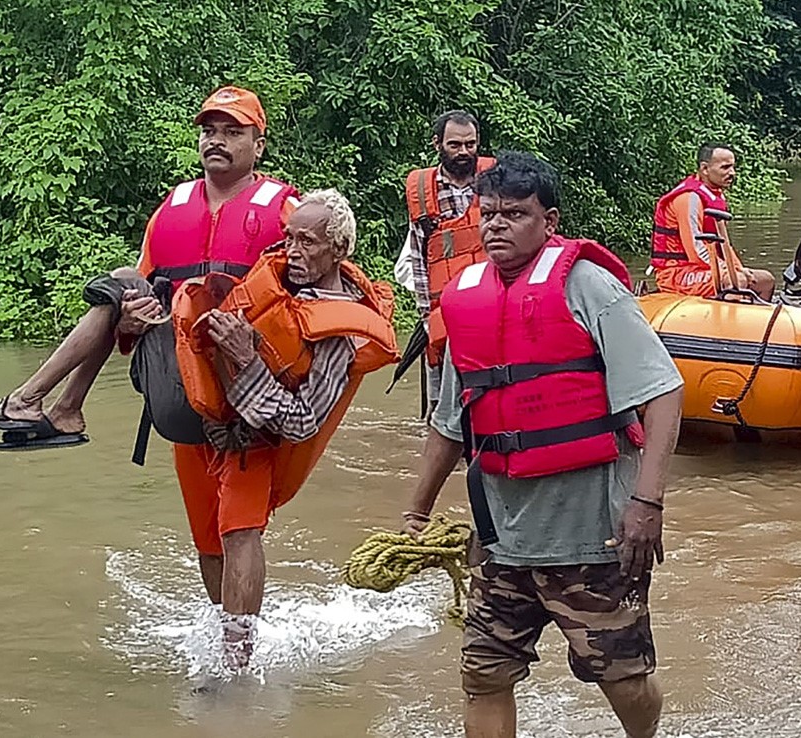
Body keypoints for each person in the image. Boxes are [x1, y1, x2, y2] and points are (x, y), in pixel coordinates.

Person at [402, 152, 684, 738]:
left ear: (548, 221)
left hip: (595, 538)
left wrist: (647, 502)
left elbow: (662, 393)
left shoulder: (589, 287)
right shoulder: (467, 298)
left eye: (516, 214)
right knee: (483, 676)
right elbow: (451, 421)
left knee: (624, 680)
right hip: (501, 539)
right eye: (489, 213)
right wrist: (415, 511)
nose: (496, 225)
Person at [0, 85, 299, 450]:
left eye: (233, 132)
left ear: (259, 146)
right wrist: (128, 323)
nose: (217, 140)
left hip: (247, 387)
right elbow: (136, 299)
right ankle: (54, 406)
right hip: (179, 383)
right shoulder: (172, 208)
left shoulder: (288, 211)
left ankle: (45, 404)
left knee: (123, 279)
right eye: (209, 131)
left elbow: (318, 299)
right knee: (122, 282)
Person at [174, 189, 398, 669]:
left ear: (339, 249)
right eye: (290, 238)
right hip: (210, 430)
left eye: (309, 242)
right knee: (208, 544)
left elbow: (303, 421)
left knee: (239, 536)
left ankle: (237, 664)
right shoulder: (273, 276)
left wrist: (246, 359)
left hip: (258, 443)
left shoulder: (339, 330)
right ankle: (224, 635)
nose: (293, 251)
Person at [395, 111, 496, 412]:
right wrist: (428, 320)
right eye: (454, 145)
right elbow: (418, 259)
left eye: (470, 144)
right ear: (437, 144)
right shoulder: (423, 193)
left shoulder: (497, 182)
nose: (463, 151)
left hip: (493, 312)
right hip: (445, 317)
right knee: (443, 413)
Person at [649, 143, 775, 301]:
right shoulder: (688, 198)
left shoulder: (715, 196)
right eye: (725, 168)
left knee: (766, 280)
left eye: (733, 167)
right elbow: (695, 251)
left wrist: (738, 268)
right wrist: (728, 270)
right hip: (676, 273)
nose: (732, 173)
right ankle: (727, 322)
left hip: (702, 269)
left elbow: (724, 245)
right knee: (736, 280)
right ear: (705, 169)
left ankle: (758, 320)